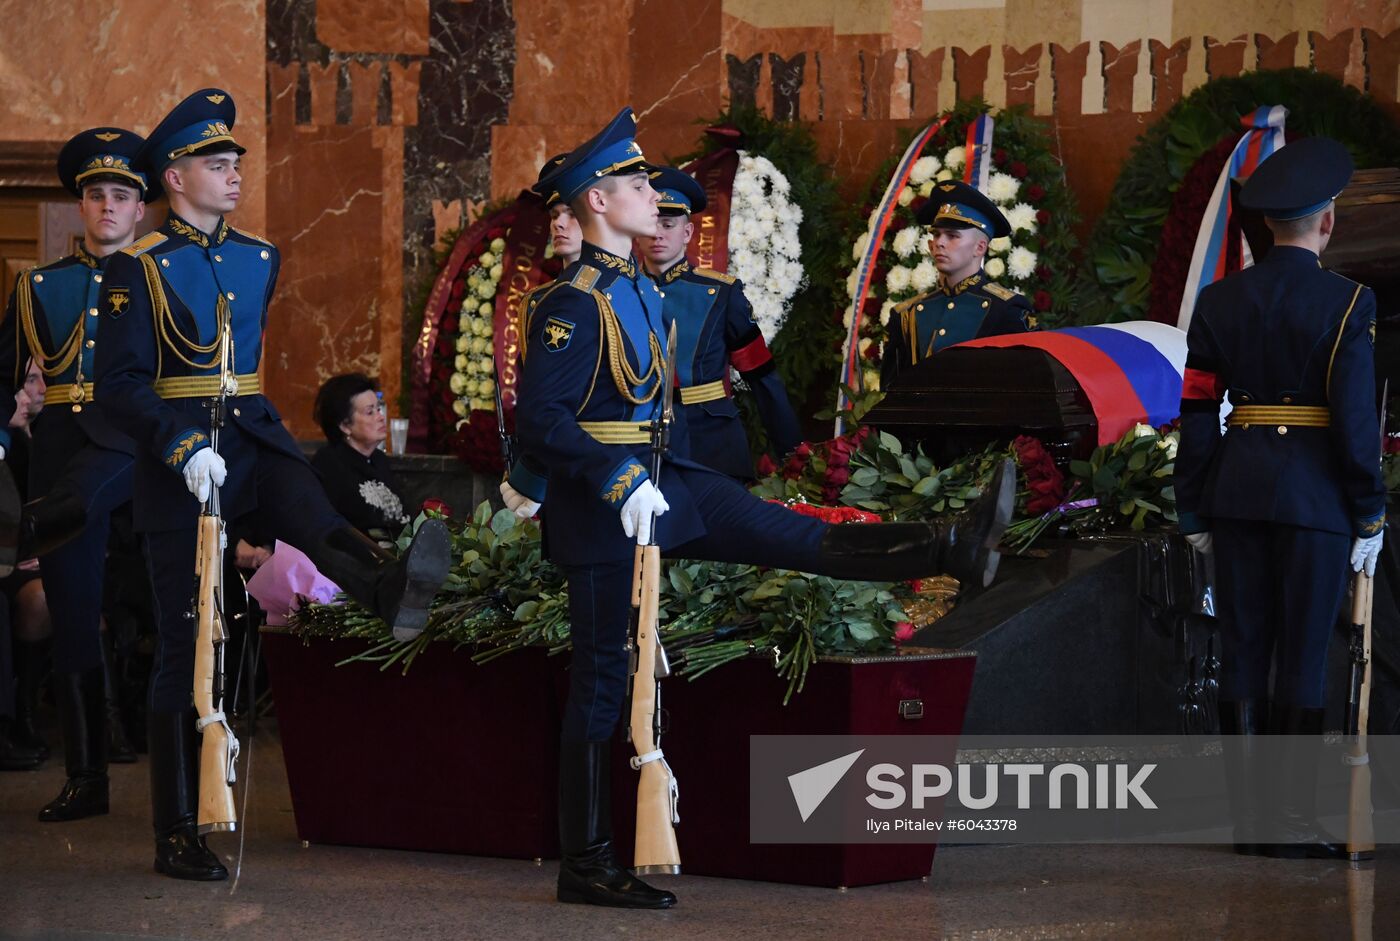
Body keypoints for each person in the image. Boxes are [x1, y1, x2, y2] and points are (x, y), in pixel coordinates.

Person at [514, 108, 1014, 910]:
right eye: (638, 183)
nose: (653, 192)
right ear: (598, 203)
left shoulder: (639, 287)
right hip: (608, 508)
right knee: (604, 682)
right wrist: (615, 481)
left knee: (793, 534)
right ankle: (588, 860)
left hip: (666, 479)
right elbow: (540, 419)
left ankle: (947, 543)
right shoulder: (571, 304)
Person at [93, 88, 451, 881]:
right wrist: (180, 440)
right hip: (178, 457)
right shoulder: (136, 268)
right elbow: (117, 382)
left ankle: (388, 592)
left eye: (235, 163)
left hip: (251, 432)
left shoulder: (259, 254)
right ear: (176, 178)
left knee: (313, 513)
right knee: (186, 648)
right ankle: (176, 828)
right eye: (216, 164)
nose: (233, 175)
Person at [1174, 137, 1384, 860]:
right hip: (1317, 502)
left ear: (1267, 225)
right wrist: (1371, 509)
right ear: (1326, 223)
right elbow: (1356, 424)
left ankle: (1249, 823)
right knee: (1301, 655)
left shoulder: (1218, 301)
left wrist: (1194, 506)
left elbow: (1197, 410)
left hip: (1236, 492)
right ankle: (1291, 819)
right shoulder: (1350, 301)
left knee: (1242, 648)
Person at [0, 128, 159, 819]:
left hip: (143, 449)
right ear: (81, 206)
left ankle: (182, 779)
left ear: (141, 208)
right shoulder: (39, 285)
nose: (107, 206)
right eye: (96, 194)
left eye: (121, 195)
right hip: (64, 451)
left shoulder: (163, 277)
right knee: (69, 609)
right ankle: (87, 777)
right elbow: (4, 376)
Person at [640, 165, 801, 479]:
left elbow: (762, 376)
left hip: (711, 439)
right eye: (651, 224)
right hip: (641, 439)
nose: (658, 234)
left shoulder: (721, 294)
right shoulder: (622, 291)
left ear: (687, 233)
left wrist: (793, 454)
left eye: (669, 224)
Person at [881, 180, 1035, 389]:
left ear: (980, 247)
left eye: (952, 236)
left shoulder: (1007, 310)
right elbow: (891, 393)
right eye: (936, 234)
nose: (939, 243)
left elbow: (1023, 391)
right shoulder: (906, 314)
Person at [311, 373, 408, 544]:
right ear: (345, 425)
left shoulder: (379, 460)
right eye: (370, 412)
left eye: (378, 409)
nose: (380, 417)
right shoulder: (329, 464)